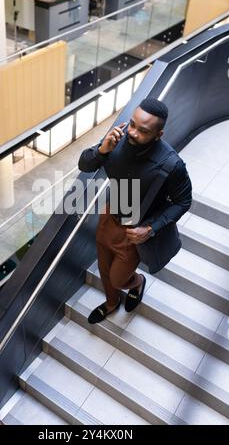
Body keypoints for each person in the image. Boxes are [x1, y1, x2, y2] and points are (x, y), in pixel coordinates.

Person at [78, 97, 192, 324]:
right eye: (132, 124)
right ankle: (111, 303)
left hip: (136, 228)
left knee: (118, 278)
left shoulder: (172, 164)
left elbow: (183, 201)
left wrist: (150, 229)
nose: (132, 132)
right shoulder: (117, 138)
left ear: (158, 134)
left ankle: (137, 282)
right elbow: (85, 165)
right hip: (110, 216)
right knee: (103, 265)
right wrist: (102, 150)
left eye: (143, 130)